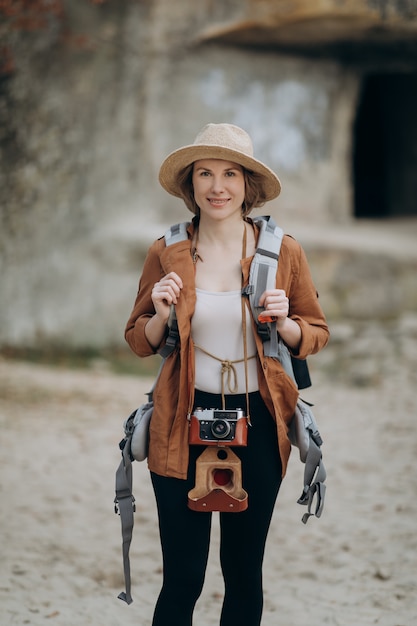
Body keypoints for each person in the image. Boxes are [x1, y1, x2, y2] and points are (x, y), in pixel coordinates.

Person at [125, 123, 329, 626]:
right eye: (205, 174)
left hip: (259, 421)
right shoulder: (165, 251)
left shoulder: (284, 252)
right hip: (180, 418)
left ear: (248, 185)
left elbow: (317, 331)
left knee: (243, 571)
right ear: (190, 185)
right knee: (183, 577)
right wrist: (160, 314)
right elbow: (136, 339)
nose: (218, 186)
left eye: (230, 173)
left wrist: (286, 322)